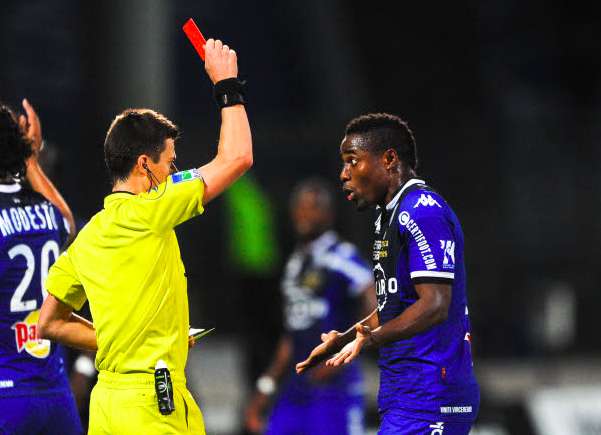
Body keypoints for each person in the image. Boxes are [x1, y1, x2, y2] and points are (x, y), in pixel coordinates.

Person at [37, 39, 252, 435]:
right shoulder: (152, 209)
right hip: (154, 404)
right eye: (169, 163)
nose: (173, 173)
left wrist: (126, 341)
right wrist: (227, 85)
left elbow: (48, 323)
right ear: (143, 165)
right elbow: (237, 157)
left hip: (107, 406)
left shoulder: (87, 237)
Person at [296, 113, 480, 434]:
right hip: (407, 394)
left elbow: (435, 304)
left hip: (431, 395)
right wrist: (343, 340)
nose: (343, 174)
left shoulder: (421, 212)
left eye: (353, 161)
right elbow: (394, 306)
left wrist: (370, 340)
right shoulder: (388, 217)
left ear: (389, 159)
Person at [245, 178, 375, 435]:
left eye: (313, 207)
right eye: (300, 207)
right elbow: (292, 333)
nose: (304, 213)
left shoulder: (340, 256)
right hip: (297, 385)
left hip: (335, 390)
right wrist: (265, 387)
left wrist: (346, 351)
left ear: (328, 214)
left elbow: (376, 305)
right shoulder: (295, 264)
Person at [0, 99, 81, 434]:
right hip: (55, 395)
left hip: (6, 396)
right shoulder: (47, 210)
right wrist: (31, 158)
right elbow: (68, 224)